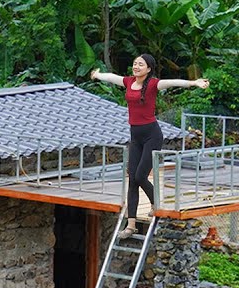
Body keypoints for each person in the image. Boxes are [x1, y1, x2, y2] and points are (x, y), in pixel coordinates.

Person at [90, 55, 210, 238]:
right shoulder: (129, 82)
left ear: (148, 69)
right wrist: (98, 75)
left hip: (152, 136)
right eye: (135, 63)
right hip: (135, 136)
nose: (136, 66)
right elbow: (113, 77)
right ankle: (131, 225)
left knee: (140, 176)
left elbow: (173, 82)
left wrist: (194, 83)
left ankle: (156, 204)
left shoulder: (153, 84)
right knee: (133, 179)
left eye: (140, 64)